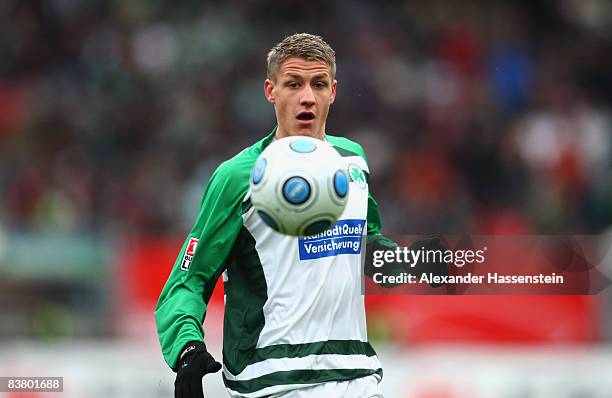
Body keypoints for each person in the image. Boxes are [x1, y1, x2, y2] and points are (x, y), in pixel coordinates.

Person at [155, 33, 418, 398]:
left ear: (334, 91)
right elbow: (189, 277)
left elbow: (367, 238)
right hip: (272, 382)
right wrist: (187, 349)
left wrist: (399, 260)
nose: (307, 96)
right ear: (270, 90)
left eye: (318, 84)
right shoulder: (238, 177)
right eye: (294, 84)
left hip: (355, 375)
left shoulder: (353, 159)